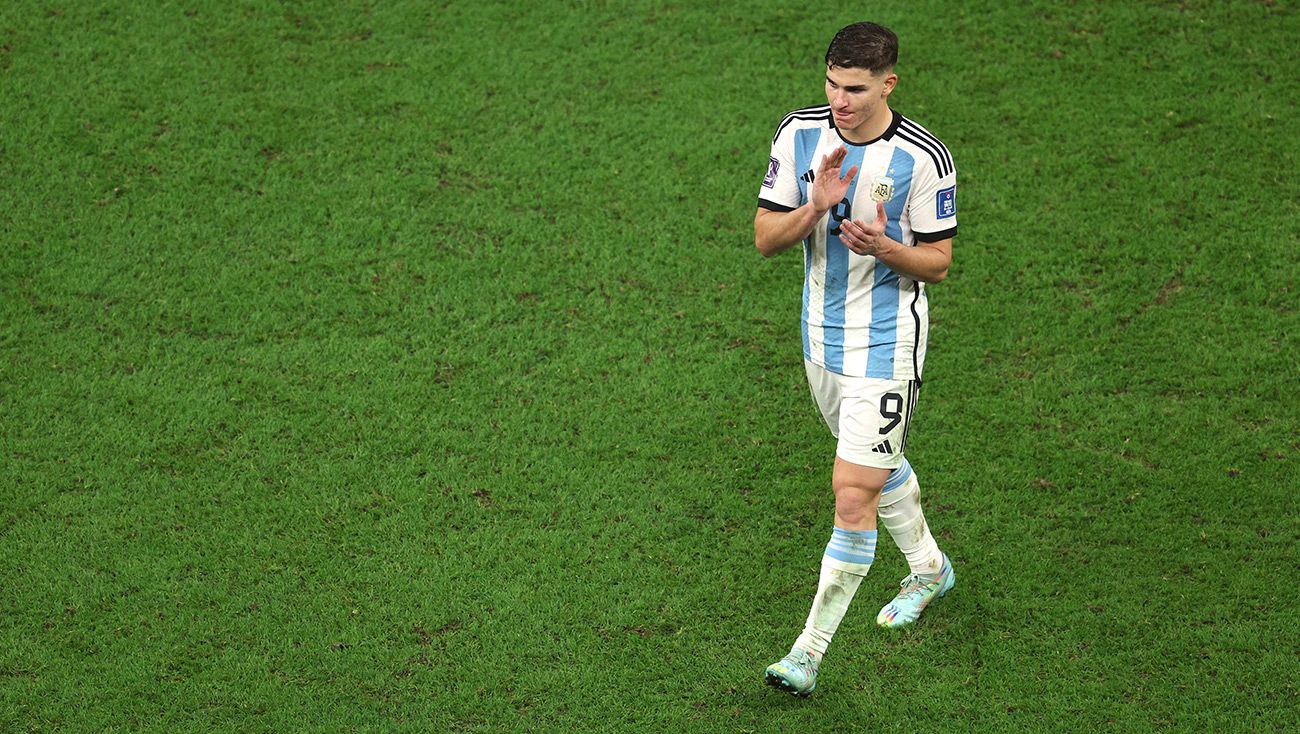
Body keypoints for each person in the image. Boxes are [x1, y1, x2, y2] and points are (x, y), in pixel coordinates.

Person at [754, 21, 959, 697]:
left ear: (888, 83)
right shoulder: (800, 134)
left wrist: (885, 249)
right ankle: (929, 567)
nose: (840, 99)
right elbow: (765, 239)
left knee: (851, 492)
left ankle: (806, 655)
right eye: (832, 83)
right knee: (872, 463)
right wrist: (814, 206)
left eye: (856, 88)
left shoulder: (925, 158)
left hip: (885, 346)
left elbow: (938, 263)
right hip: (820, 339)